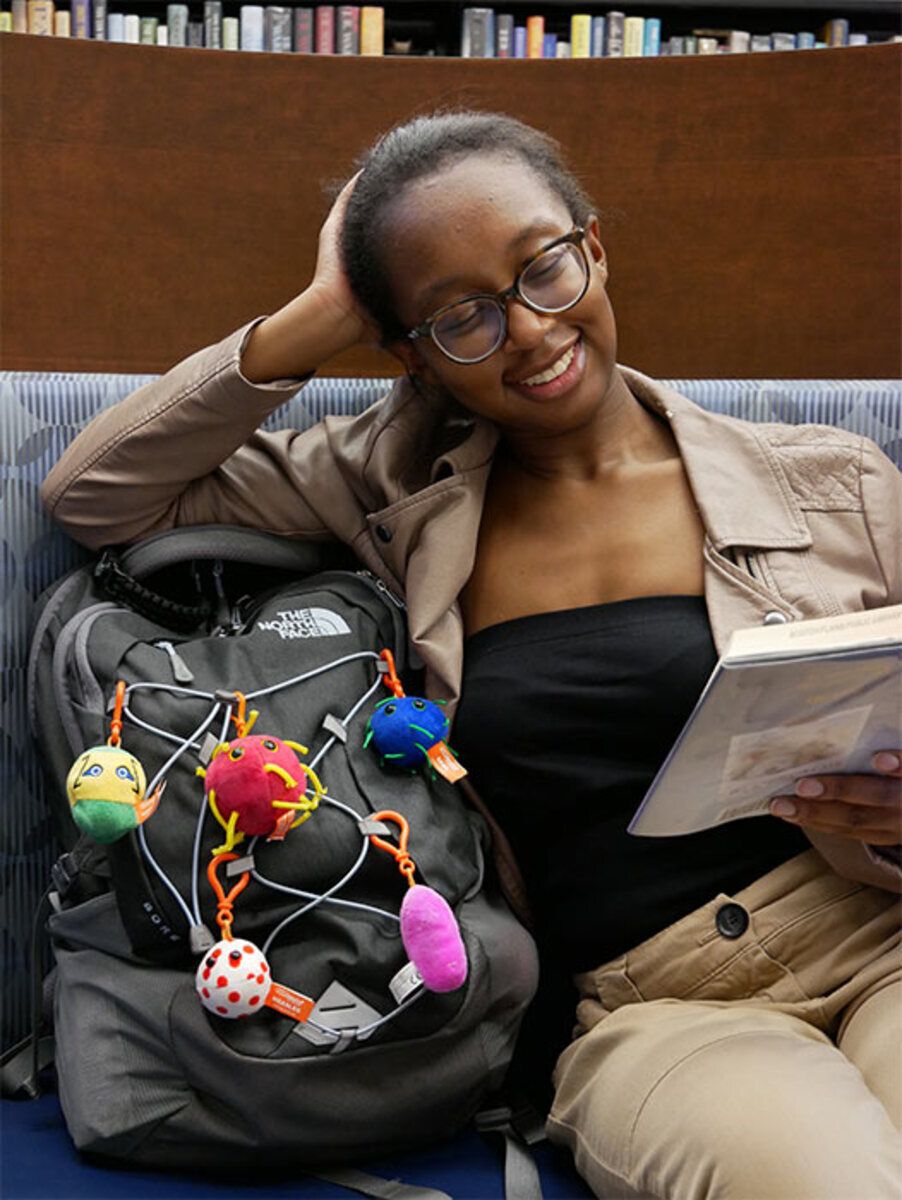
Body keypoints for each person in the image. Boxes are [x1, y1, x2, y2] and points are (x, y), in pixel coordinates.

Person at [41, 111, 902, 1200]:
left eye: (543, 269)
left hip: (878, 936)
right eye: (461, 317)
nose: (528, 331)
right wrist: (318, 315)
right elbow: (95, 495)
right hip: (662, 1012)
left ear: (593, 249)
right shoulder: (388, 485)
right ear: (409, 352)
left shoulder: (831, 484)